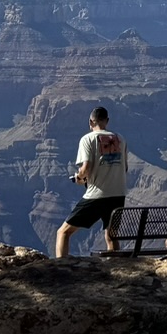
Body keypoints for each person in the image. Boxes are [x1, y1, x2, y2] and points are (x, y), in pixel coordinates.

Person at [55, 105, 129, 258]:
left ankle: (60, 266)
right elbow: (125, 167)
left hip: (97, 195)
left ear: (90, 122)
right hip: (118, 194)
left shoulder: (87, 139)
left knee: (63, 232)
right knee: (111, 237)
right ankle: (116, 267)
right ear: (107, 121)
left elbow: (86, 167)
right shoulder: (120, 139)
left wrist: (80, 178)